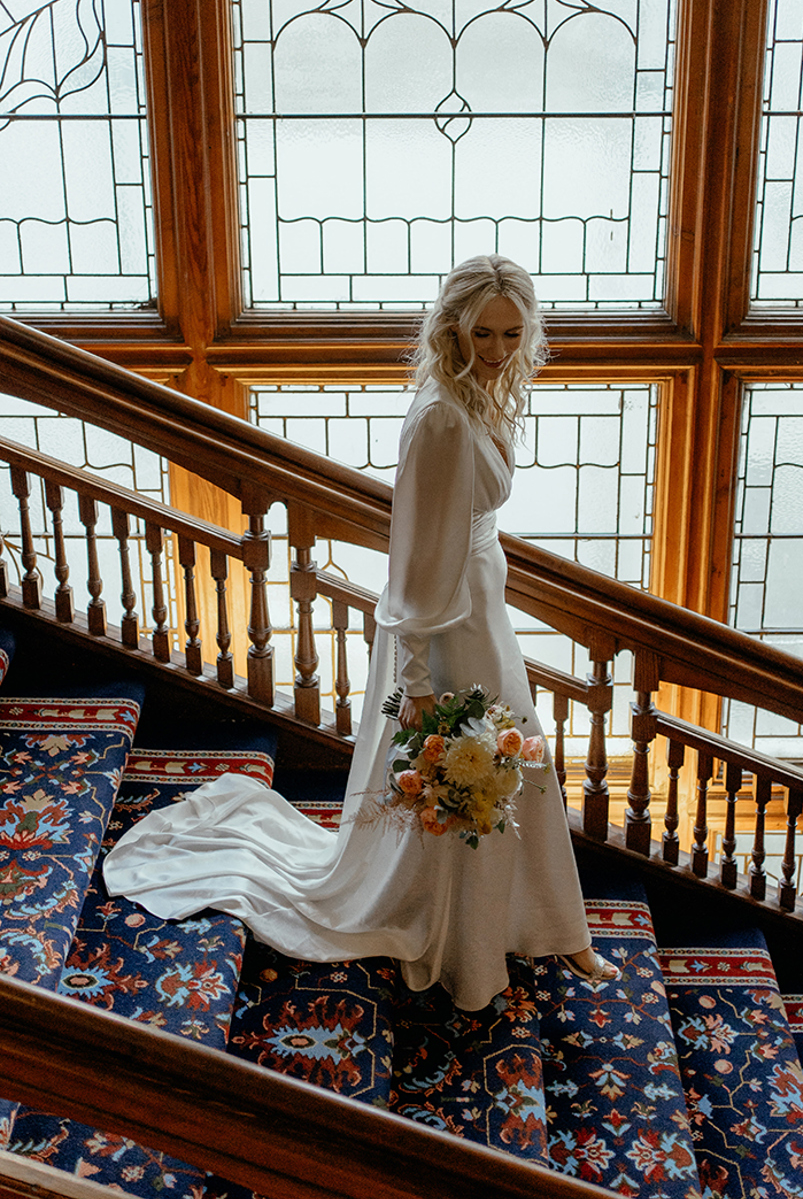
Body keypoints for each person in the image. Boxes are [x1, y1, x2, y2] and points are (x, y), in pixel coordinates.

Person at [103, 255, 618, 1011]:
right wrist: (413, 684)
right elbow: (411, 561)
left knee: (515, 763)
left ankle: (542, 928)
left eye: (513, 333)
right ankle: (494, 938)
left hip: (479, 607)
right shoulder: (442, 416)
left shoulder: (475, 394)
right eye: (484, 333)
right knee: (485, 767)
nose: (501, 349)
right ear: (453, 326)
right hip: (443, 628)